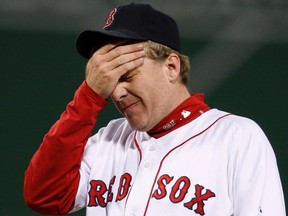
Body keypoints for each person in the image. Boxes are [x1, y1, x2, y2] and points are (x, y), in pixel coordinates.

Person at [24, 3, 286, 216]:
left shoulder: (236, 137)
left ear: (171, 67)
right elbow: (44, 197)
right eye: (108, 81)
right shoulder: (108, 140)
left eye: (126, 75)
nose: (116, 92)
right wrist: (89, 98)